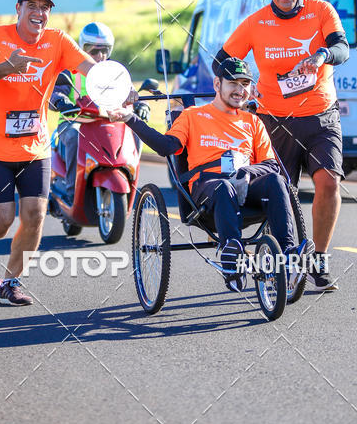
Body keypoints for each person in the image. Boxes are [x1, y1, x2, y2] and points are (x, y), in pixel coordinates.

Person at [110, 57, 306, 293]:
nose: (239, 90)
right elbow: (165, 146)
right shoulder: (192, 116)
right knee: (225, 187)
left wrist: (246, 172)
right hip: (208, 193)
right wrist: (131, 119)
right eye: (233, 83)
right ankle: (232, 259)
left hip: (246, 187)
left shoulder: (253, 122)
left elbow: (271, 166)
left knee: (275, 180)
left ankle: (289, 257)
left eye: (245, 84)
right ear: (217, 84)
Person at [213, 0, 349, 292]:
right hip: (274, 122)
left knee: (329, 182)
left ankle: (318, 258)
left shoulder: (321, 11)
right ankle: (280, 259)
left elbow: (341, 47)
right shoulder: (256, 23)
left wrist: (320, 56)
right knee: (280, 195)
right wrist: (241, 85)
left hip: (321, 117)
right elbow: (222, 61)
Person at [0, 0, 95, 305]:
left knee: (35, 215)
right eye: (32, 7)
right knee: (1, 220)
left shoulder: (57, 41)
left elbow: (91, 70)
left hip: (35, 148)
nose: (39, 13)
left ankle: (10, 283)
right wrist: (7, 67)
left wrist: (119, 87)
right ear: (18, 9)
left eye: (45, 8)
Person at [50, 22, 150, 202]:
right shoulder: (70, 69)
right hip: (75, 121)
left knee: (136, 134)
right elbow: (55, 91)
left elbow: (130, 93)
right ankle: (72, 191)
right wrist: (60, 100)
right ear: (82, 48)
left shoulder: (114, 72)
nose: (100, 55)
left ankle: (130, 179)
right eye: (93, 50)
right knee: (73, 136)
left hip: (108, 122)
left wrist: (141, 105)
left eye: (104, 50)